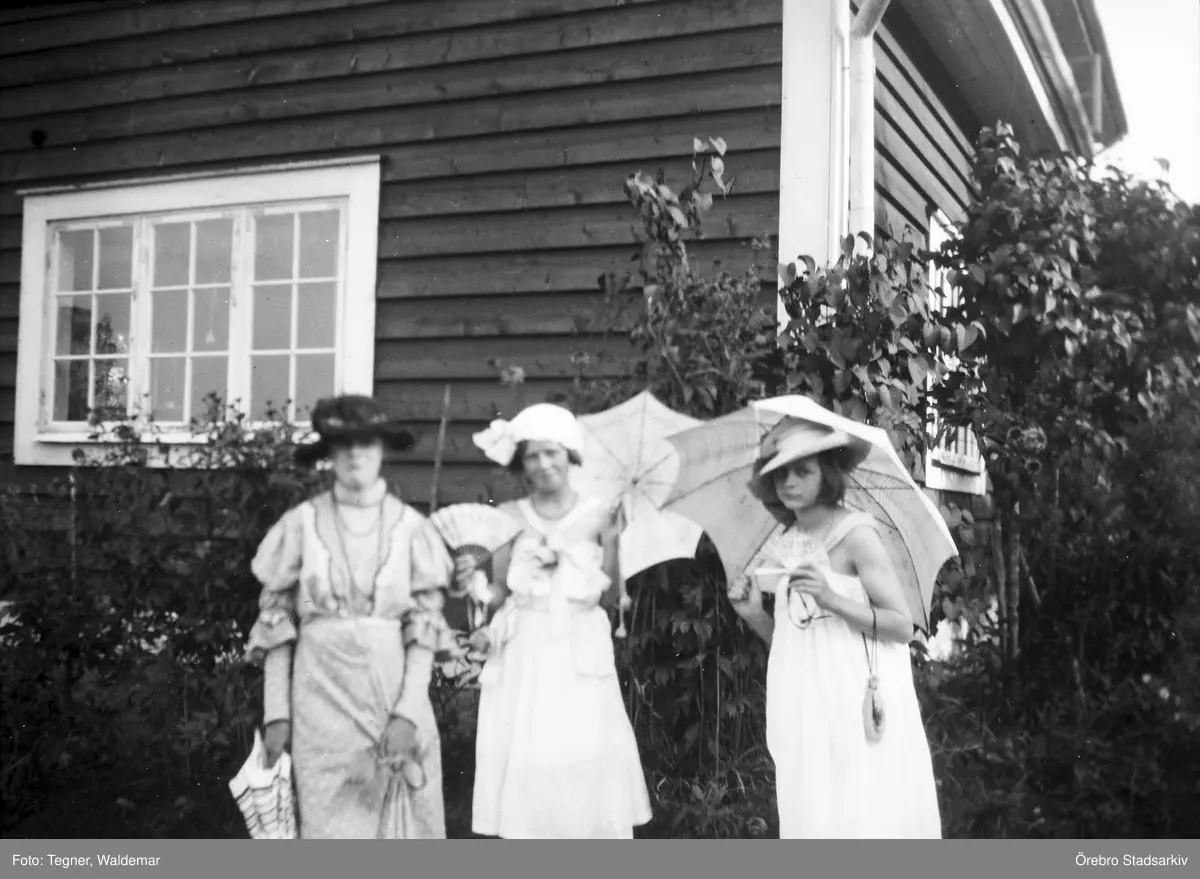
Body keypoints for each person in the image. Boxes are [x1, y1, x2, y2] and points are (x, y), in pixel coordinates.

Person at [245, 395, 456, 839]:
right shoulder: (301, 525)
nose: (355, 454)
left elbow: (424, 632)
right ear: (328, 454)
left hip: (391, 694)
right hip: (320, 699)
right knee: (329, 824)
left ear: (382, 450)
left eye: (366, 443)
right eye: (342, 445)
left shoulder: (412, 528)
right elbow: (277, 622)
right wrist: (276, 715)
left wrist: (408, 715)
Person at [727, 420, 942, 839]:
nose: (789, 483)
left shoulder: (856, 534)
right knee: (816, 811)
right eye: (780, 474)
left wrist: (832, 598)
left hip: (850, 695)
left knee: (859, 810)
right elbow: (796, 642)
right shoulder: (788, 539)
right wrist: (753, 614)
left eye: (802, 471)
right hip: (805, 698)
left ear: (826, 474)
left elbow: (901, 626)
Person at [460, 402, 652, 839]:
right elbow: (499, 591)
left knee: (581, 744)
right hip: (525, 646)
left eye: (552, 452)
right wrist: (475, 590)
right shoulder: (509, 515)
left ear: (570, 455)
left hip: (578, 643)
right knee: (530, 746)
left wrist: (611, 541)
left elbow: (610, 595)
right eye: (532, 455)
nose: (543, 464)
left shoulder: (602, 513)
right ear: (521, 463)